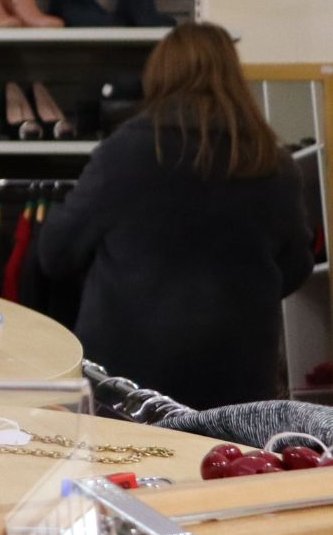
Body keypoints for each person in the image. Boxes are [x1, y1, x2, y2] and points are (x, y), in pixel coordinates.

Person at [42, 22, 315, 408]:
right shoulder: (271, 161)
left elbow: (56, 253)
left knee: (121, 468)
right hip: (237, 376)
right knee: (224, 467)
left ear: (160, 75)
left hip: (127, 378)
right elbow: (296, 266)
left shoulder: (125, 152)